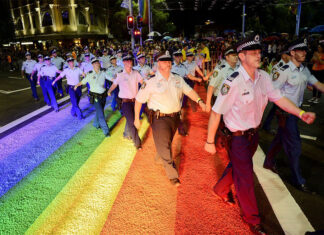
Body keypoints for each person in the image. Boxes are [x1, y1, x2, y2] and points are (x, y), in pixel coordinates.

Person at [204, 35, 316, 235]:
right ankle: (252, 219)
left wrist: (300, 113)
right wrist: (209, 141)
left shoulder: (263, 77)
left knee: (238, 167)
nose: (259, 55)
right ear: (242, 56)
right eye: (253, 53)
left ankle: (220, 188)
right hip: (236, 137)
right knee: (245, 177)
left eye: (259, 52)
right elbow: (216, 111)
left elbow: (279, 98)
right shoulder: (234, 81)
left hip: (253, 135)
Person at [134, 51, 207, 186]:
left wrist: (200, 100)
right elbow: (139, 100)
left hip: (175, 118)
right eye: (164, 61)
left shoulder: (178, 79)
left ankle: (160, 154)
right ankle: (172, 175)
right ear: (158, 64)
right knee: (166, 146)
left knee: (167, 141)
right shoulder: (151, 81)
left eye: (169, 60)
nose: (168, 63)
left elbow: (189, 91)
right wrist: (136, 119)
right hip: (159, 118)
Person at [263, 39, 324, 192]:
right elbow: (272, 93)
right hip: (285, 113)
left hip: (298, 112)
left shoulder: (304, 69)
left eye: (305, 50)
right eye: (301, 50)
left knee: (280, 139)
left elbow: (317, 84)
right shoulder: (282, 71)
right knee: (295, 146)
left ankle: (268, 162)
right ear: (292, 53)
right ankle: (298, 180)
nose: (305, 52)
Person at [107, 55, 143, 149]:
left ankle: (126, 133)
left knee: (133, 119)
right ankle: (137, 143)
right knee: (132, 122)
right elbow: (114, 84)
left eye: (130, 60)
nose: (129, 62)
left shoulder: (136, 73)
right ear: (123, 62)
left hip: (135, 101)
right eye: (126, 61)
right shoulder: (120, 75)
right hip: (125, 102)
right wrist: (109, 91)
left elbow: (143, 82)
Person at [74, 57, 110, 136]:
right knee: (101, 113)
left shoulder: (103, 73)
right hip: (95, 97)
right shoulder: (90, 74)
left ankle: (96, 123)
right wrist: (76, 85)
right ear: (93, 65)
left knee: (99, 110)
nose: (98, 64)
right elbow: (83, 82)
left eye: (98, 63)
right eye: (96, 63)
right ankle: (106, 131)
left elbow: (111, 78)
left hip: (103, 95)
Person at [172, 50, 202, 136]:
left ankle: (180, 130)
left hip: (180, 92)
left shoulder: (183, 67)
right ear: (173, 56)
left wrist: (197, 79)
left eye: (179, 56)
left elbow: (189, 76)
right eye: (176, 56)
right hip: (171, 92)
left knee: (179, 110)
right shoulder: (170, 66)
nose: (178, 57)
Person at [262, 48, 291, 132]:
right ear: (284, 55)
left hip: (282, 93)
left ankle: (267, 125)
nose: (290, 56)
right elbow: (274, 82)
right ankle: (268, 126)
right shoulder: (278, 67)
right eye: (288, 55)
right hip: (278, 93)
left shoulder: (287, 65)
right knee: (277, 111)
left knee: (275, 111)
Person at [205, 46, 239, 112]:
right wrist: (208, 103)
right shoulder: (220, 70)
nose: (236, 57)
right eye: (233, 55)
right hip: (221, 100)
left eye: (236, 55)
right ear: (227, 57)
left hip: (235, 101)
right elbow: (211, 86)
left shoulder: (239, 69)